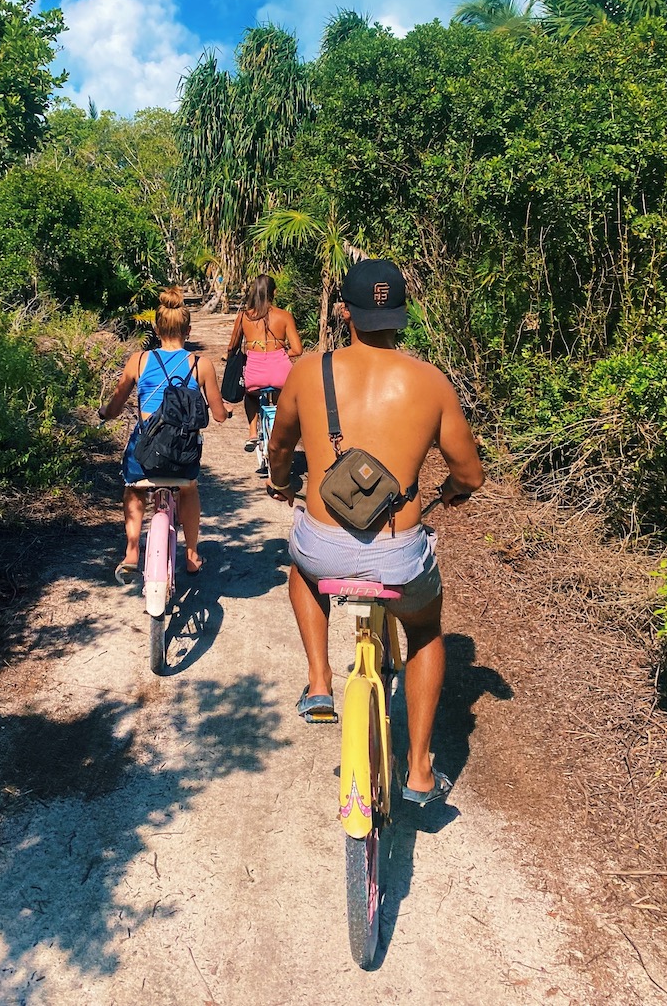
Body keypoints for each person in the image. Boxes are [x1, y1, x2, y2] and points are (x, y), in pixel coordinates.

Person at [266, 259, 483, 806]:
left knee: (301, 566)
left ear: (345, 312)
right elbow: (469, 474)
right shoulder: (430, 382)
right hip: (397, 556)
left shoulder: (308, 371)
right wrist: (452, 492)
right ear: (401, 316)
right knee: (427, 630)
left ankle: (319, 683)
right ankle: (419, 770)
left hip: (323, 549)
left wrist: (280, 482)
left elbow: (281, 446)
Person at [99, 285, 230, 584]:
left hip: (146, 449)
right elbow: (219, 415)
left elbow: (116, 407)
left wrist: (104, 413)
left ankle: (132, 551)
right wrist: (228, 412)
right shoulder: (201, 365)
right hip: (182, 451)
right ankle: (192, 554)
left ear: (157, 328)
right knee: (189, 488)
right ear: (189, 329)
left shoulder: (139, 360)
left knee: (133, 487)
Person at [224, 274, 303, 449]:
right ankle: (281, 432)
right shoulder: (285, 316)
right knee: (282, 398)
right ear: (274, 292)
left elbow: (232, 347)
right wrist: (279, 354)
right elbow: (298, 350)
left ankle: (252, 432)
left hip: (255, 373)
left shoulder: (244, 317)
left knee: (251, 396)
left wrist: (229, 358)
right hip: (281, 372)